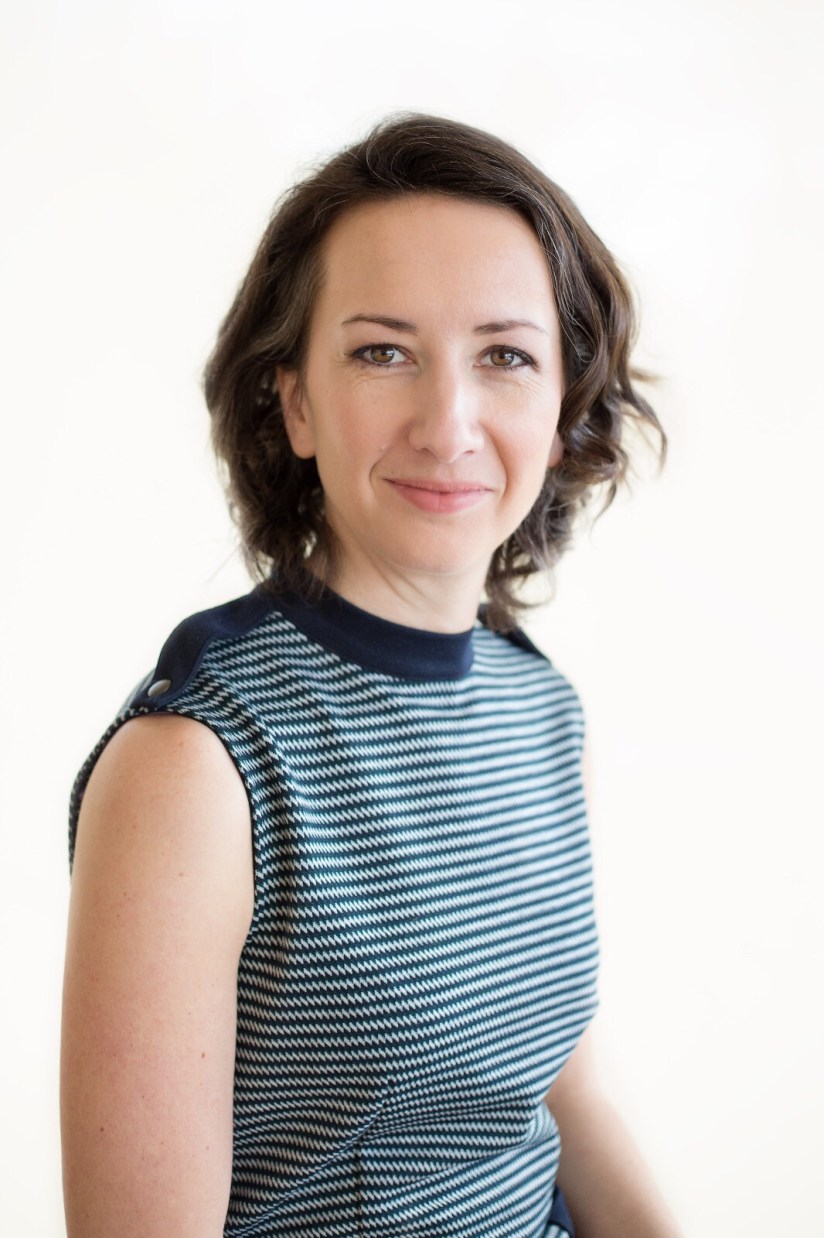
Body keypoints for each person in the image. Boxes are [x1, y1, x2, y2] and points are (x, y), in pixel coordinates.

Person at [61, 114, 679, 1237]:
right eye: (381, 351)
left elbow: (564, 1088)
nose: (447, 424)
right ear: (295, 402)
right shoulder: (196, 765)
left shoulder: (538, 707)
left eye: (505, 356)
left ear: (561, 407)